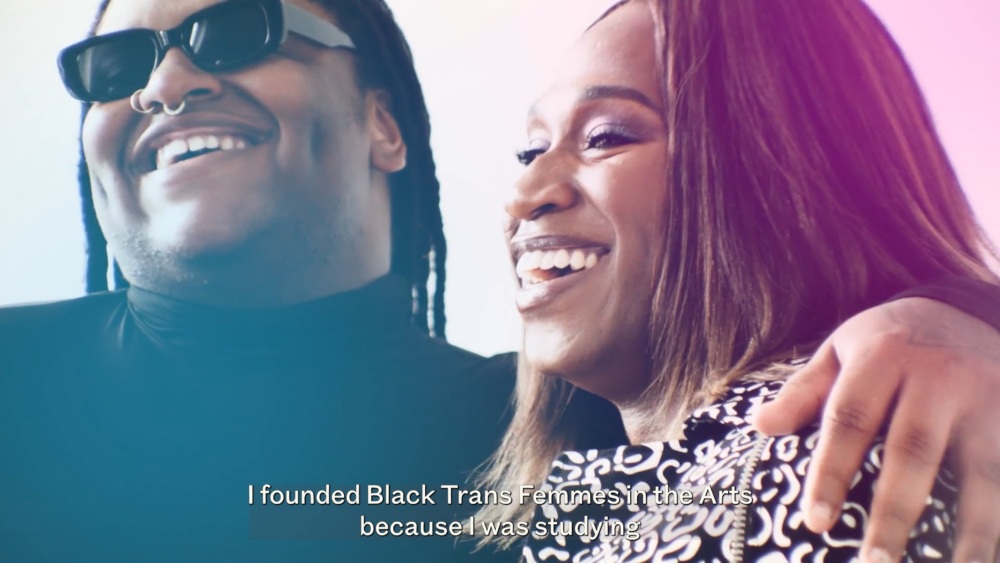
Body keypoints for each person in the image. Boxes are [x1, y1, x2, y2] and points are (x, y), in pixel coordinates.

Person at [0, 0, 997, 561]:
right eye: (114, 60)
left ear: (384, 125)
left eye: (237, 30)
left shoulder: (558, 459)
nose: (162, 82)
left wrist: (951, 319)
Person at [483, 0, 1000, 561]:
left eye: (606, 137)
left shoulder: (837, 457)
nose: (524, 193)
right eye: (530, 150)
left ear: (791, 168)